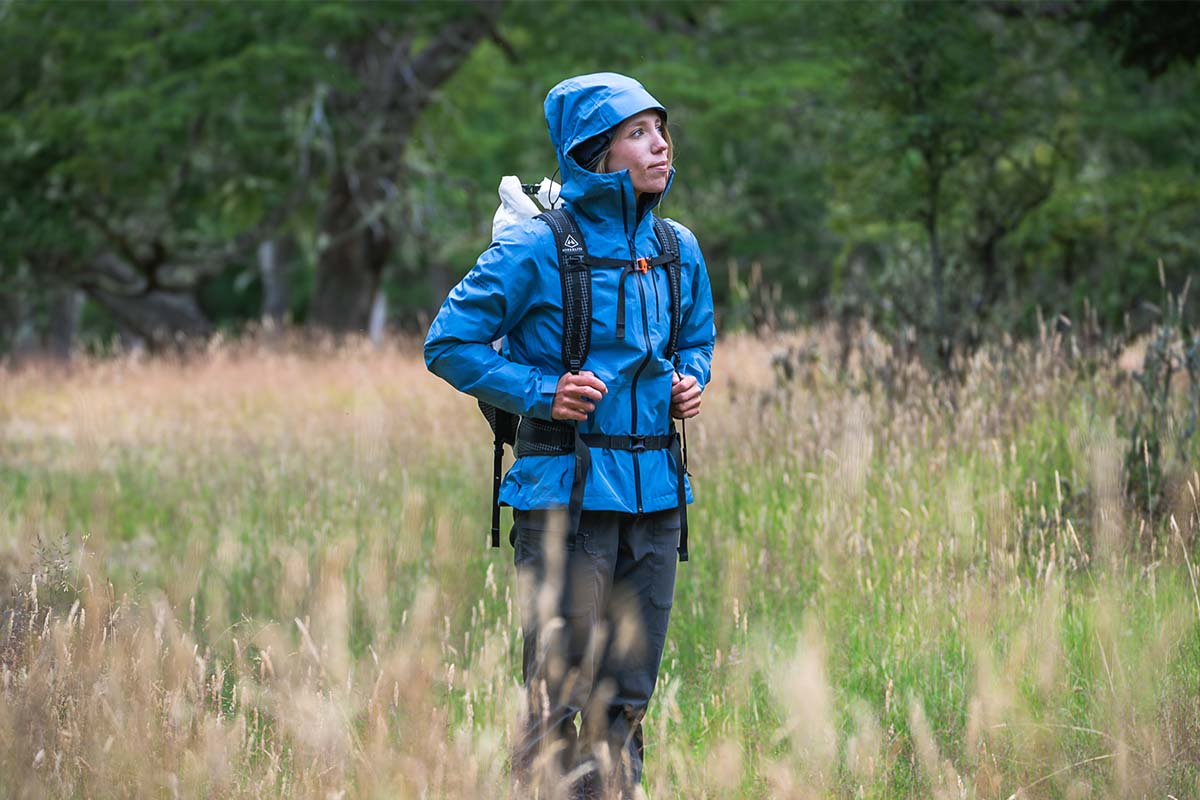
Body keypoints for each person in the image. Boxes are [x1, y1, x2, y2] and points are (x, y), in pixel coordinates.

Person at [424, 72, 715, 798]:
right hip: (566, 503)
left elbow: (696, 340)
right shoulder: (534, 249)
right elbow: (448, 342)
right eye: (637, 132)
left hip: (657, 505)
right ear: (594, 152)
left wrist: (689, 378)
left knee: (626, 701)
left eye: (660, 128)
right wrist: (542, 392)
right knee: (561, 698)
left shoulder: (679, 249)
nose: (659, 144)